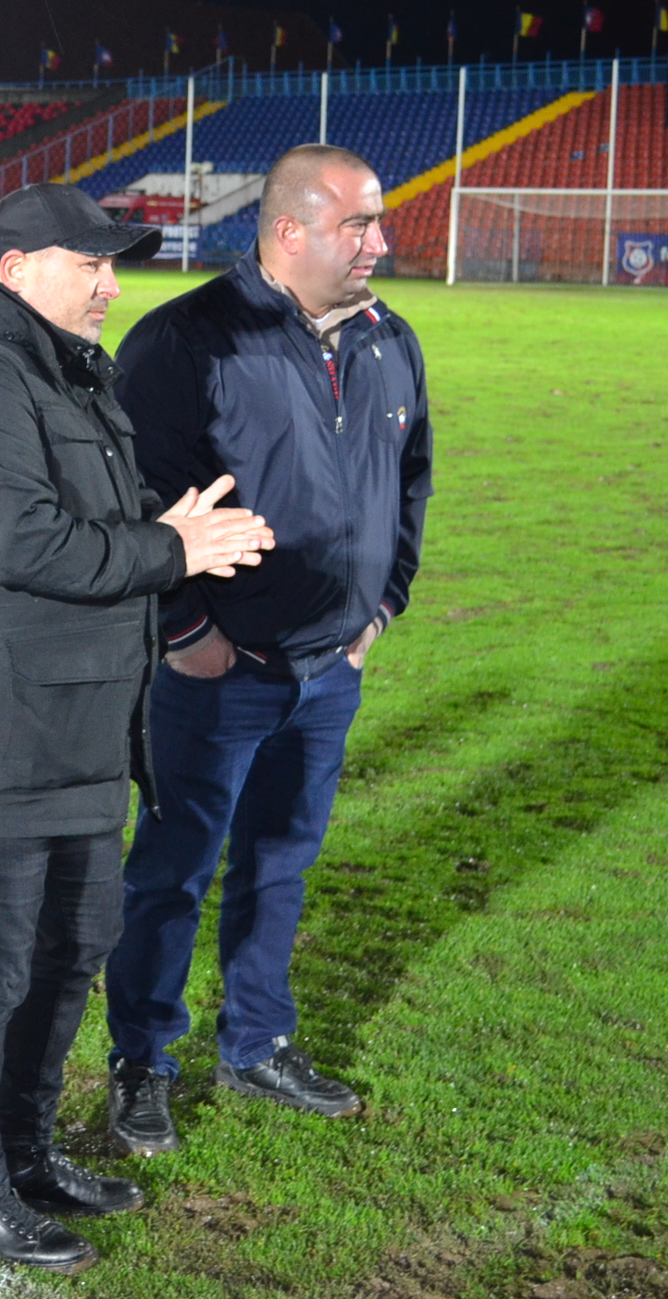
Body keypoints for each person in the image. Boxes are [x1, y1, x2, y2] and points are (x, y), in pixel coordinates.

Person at [0, 183, 275, 1275]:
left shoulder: (58, 366)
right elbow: (23, 543)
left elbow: (87, 525)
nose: (110, 285)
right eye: (87, 263)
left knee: (68, 953)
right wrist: (172, 549)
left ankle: (27, 1155)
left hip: (78, 725)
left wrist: (158, 529)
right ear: (12, 268)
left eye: (114, 265)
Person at [101, 145, 433, 1156]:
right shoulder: (184, 340)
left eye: (376, 222)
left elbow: (409, 481)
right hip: (217, 672)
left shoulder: (389, 339)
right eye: (357, 225)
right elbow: (132, 502)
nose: (378, 242)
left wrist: (380, 608)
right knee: (172, 871)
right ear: (289, 231)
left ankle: (255, 1043)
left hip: (329, 669)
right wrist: (187, 634)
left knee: (279, 863)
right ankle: (141, 1061)